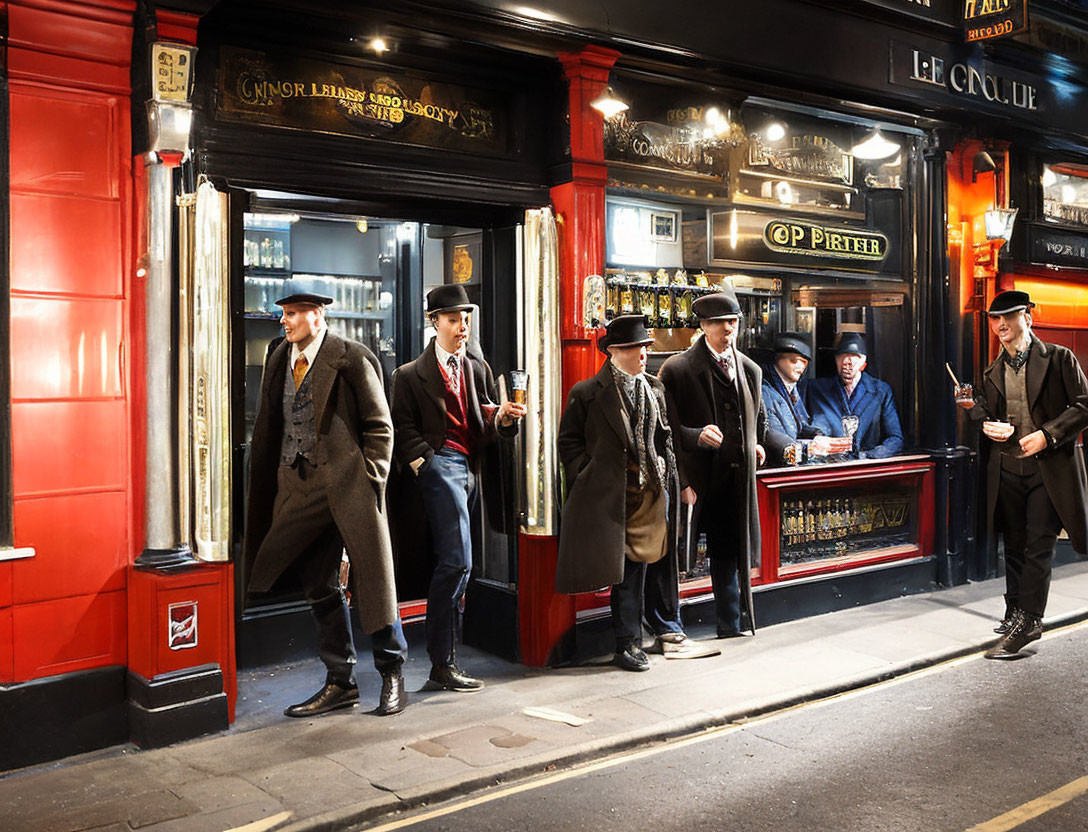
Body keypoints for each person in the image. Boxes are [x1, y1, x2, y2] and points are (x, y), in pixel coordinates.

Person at [245, 284, 407, 718]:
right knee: (318, 583)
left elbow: (380, 425)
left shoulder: (350, 356)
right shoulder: (279, 355)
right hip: (297, 483)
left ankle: (393, 674)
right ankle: (341, 682)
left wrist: (371, 477)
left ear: (317, 315)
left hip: (349, 482)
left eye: (293, 313)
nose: (285, 321)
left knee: (374, 580)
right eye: (284, 313)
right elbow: (271, 419)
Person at [555, 316, 720, 671]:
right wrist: (585, 474)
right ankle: (626, 643)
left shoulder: (656, 389)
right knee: (626, 573)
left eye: (645, 347)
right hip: (614, 497)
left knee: (660, 565)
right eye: (634, 348)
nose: (643, 354)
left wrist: (674, 478)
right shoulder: (587, 393)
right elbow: (568, 442)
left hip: (654, 493)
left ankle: (665, 630)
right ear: (614, 351)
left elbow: (669, 437)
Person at [390, 285, 525, 691]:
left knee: (458, 564)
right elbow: (401, 429)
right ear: (434, 323)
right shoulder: (409, 374)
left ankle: (442, 662)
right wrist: (426, 465)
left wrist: (503, 419)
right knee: (458, 562)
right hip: (440, 466)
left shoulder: (477, 368)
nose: (462, 326)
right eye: (453, 319)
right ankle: (442, 662)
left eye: (465, 318)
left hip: (471, 469)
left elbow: (483, 424)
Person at [959, 290, 1088, 659]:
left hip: (1049, 469)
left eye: (1009, 317)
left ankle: (1030, 620)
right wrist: (984, 423)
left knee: (1037, 545)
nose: (1000, 325)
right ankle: (1015, 610)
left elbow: (1084, 405)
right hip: (1007, 467)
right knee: (1013, 544)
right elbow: (986, 416)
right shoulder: (992, 370)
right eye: (994, 319)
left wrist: (1048, 434)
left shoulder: (1059, 358)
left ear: (1027, 318)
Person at [658, 288, 766, 638]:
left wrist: (758, 444)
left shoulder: (749, 368)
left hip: (735, 479)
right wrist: (695, 438)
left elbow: (758, 417)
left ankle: (729, 625)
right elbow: (666, 429)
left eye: (733, 322)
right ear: (704, 325)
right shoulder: (677, 369)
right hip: (697, 480)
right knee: (674, 555)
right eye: (720, 323)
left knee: (728, 553)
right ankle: (669, 628)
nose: (728, 329)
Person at [808, 332, 904, 459]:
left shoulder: (881, 391)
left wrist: (869, 456)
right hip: (829, 466)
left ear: (863, 365)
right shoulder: (816, 389)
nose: (847, 362)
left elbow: (895, 439)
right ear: (835, 360)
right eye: (842, 356)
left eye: (854, 356)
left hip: (866, 468)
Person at [761, 331, 832, 466]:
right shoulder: (765, 393)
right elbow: (775, 437)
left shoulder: (790, 390)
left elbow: (800, 425)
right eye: (794, 361)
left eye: (804, 363)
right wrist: (808, 449)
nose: (801, 367)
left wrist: (817, 435)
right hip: (777, 469)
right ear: (778, 359)